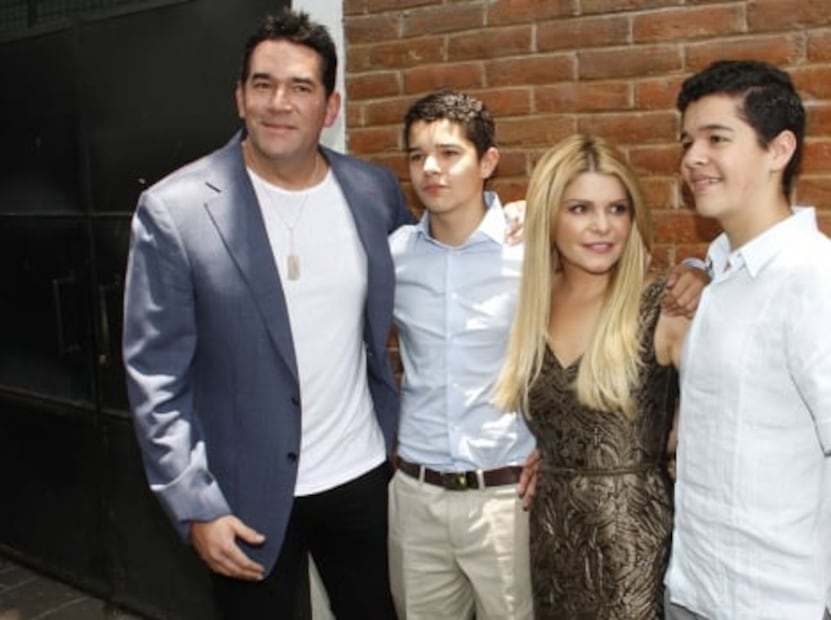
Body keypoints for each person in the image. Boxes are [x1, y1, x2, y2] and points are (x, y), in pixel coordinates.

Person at [122, 9, 409, 619]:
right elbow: (155, 376)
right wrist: (193, 502)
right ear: (239, 97)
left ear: (330, 108)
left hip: (361, 475)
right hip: (242, 496)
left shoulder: (373, 192)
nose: (279, 103)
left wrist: (502, 222)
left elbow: (430, 267)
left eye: (300, 87)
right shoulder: (175, 211)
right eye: (263, 84)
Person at [664, 60, 831, 620]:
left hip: (777, 603)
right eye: (687, 141)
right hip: (693, 593)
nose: (693, 158)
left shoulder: (817, 280)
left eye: (716, 138)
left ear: (779, 150)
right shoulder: (719, 274)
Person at [494, 133, 694, 619]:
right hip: (551, 540)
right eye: (580, 209)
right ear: (549, 217)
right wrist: (563, 456)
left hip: (635, 553)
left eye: (617, 209)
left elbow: (713, 429)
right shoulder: (536, 303)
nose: (602, 226)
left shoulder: (664, 307)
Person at [386, 89, 536, 619]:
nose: (431, 168)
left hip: (505, 499)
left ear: (487, 161)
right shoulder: (394, 256)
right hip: (416, 496)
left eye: (449, 153)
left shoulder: (532, 252)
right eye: (417, 156)